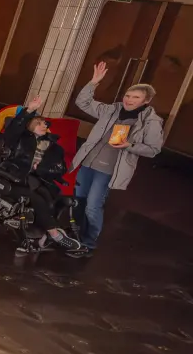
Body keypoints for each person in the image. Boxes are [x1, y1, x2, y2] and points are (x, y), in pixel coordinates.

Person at [70, 61, 165, 256]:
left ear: (146, 101)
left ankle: (88, 243)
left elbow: (154, 150)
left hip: (108, 169)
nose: (129, 100)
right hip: (87, 162)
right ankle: (75, 236)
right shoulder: (112, 109)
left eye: (136, 97)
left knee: (92, 207)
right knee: (78, 201)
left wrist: (129, 145)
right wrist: (94, 82)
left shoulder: (151, 122)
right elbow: (83, 103)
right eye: (128, 95)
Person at [0, 102, 84, 255]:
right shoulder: (19, 139)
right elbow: (13, 129)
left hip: (37, 180)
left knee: (52, 198)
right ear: (30, 126)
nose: (44, 125)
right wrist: (29, 110)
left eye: (45, 124)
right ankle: (55, 234)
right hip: (15, 178)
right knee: (37, 199)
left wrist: (40, 168)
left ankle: (44, 234)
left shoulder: (54, 147)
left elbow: (60, 168)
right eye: (39, 123)